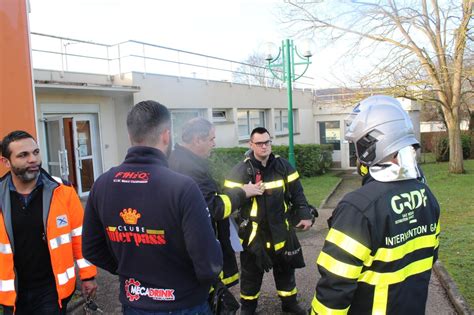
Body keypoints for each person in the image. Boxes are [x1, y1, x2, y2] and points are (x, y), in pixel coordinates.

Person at [82, 101, 223, 315]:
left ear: (130, 135)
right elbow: (208, 262)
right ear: (166, 135)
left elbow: (92, 248)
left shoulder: (102, 184)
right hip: (184, 303)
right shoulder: (182, 187)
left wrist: (128, 270)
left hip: (135, 302)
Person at [311, 95, 441, 314]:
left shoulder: (358, 208)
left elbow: (335, 286)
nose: (357, 155)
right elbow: (431, 254)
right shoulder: (426, 195)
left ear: (371, 144)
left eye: (358, 145)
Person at [0, 130, 97, 315]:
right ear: (6, 162)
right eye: (23, 155)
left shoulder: (63, 191)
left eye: (36, 152)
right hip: (13, 293)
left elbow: (80, 236)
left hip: (51, 291)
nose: (33, 159)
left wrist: (88, 276)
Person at [224, 127, 313, 315]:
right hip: (254, 234)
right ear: (251, 144)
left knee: (286, 270)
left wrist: (305, 214)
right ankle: (248, 308)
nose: (264, 146)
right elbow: (227, 197)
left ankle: (289, 303)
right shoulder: (242, 169)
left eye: (267, 142)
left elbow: (297, 192)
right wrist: (244, 192)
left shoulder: (283, 166)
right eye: (259, 143)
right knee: (250, 275)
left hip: (281, 229)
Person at [169, 117, 263, 290]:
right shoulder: (190, 168)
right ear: (198, 140)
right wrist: (243, 193)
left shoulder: (180, 160)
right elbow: (214, 208)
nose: (214, 144)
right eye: (211, 139)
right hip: (200, 252)